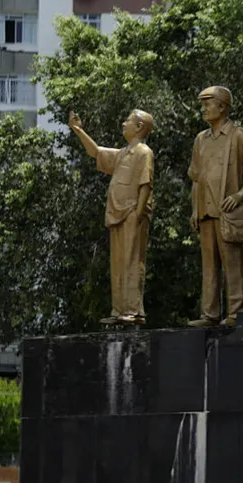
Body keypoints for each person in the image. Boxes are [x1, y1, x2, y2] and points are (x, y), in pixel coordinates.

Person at [187, 86, 243, 327]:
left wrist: (240, 195)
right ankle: (209, 314)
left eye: (207, 104)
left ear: (222, 107)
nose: (203, 109)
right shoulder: (200, 140)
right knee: (209, 266)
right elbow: (195, 178)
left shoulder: (238, 135)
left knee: (232, 264)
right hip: (205, 211)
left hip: (228, 212)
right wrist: (194, 209)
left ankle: (235, 312)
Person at [68, 109, 154, 326]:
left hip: (133, 212)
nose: (123, 123)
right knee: (117, 263)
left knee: (132, 261)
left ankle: (133, 310)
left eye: (129, 120)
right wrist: (78, 130)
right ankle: (119, 309)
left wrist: (138, 212)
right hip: (117, 213)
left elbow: (146, 184)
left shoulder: (144, 152)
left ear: (139, 127)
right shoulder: (123, 153)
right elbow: (96, 152)